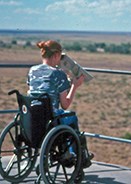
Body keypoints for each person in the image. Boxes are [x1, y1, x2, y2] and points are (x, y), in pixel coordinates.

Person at [27, 40, 93, 169]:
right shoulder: (58, 74)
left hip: (32, 115)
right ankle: (76, 155)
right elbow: (65, 105)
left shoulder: (32, 70)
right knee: (71, 117)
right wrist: (74, 86)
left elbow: (33, 92)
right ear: (57, 55)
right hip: (50, 118)